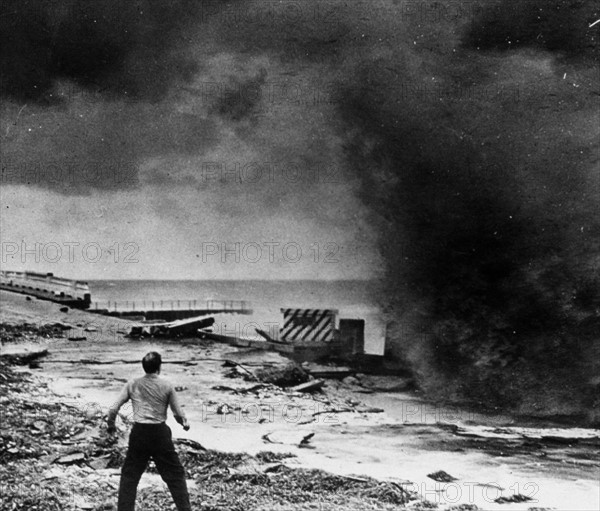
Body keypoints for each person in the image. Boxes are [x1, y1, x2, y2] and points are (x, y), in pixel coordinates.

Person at [106, 351, 192, 511]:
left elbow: (113, 409)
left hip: (139, 433)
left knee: (129, 476)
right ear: (159, 367)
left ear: (144, 367)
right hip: (159, 433)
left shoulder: (133, 384)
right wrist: (184, 423)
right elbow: (177, 414)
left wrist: (111, 426)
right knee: (175, 475)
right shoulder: (167, 385)